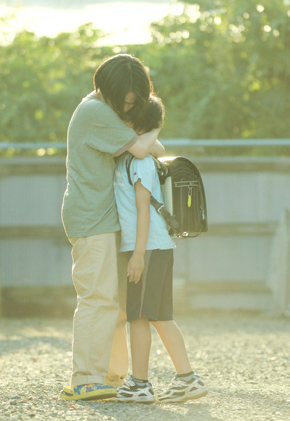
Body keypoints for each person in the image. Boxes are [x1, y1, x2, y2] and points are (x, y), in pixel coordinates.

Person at [60, 54, 165, 401]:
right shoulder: (97, 113)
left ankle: (111, 375)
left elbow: (153, 149)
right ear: (111, 91)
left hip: (104, 217)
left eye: (135, 103)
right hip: (93, 218)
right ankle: (86, 378)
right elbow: (144, 148)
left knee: (117, 303)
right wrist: (156, 121)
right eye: (127, 100)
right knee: (98, 298)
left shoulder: (105, 111)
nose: (129, 108)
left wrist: (148, 135)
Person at [113, 96, 208, 403]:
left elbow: (143, 209)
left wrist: (138, 254)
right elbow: (158, 147)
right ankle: (187, 379)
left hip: (147, 248)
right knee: (161, 316)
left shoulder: (139, 161)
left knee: (139, 316)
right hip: (157, 246)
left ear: (135, 125)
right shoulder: (140, 156)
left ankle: (139, 384)